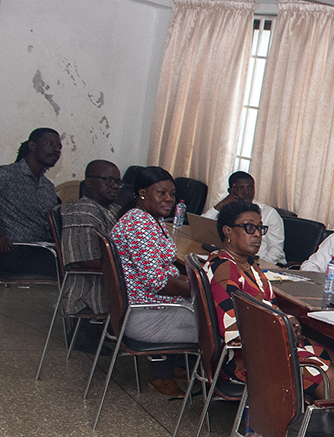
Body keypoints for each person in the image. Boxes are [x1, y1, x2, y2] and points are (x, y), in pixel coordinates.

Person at [205, 200, 334, 406]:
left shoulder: (247, 264)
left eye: (260, 228)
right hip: (246, 359)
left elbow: (264, 306)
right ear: (228, 231)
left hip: (267, 344)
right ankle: (327, 425)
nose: (257, 235)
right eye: (249, 228)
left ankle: (332, 418)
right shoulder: (224, 269)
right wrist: (283, 326)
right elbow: (231, 329)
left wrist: (287, 320)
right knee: (332, 377)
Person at [109, 166, 197, 399]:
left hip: (145, 308)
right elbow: (157, 282)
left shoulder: (146, 219)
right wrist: (196, 290)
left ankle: (176, 367)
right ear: (142, 193)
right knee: (217, 323)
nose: (169, 199)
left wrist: (191, 282)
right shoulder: (139, 224)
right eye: (161, 193)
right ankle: (211, 381)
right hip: (147, 315)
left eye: (172, 194)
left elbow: (162, 271)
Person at [59, 160, 122, 316]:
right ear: (89, 182)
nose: (115, 186)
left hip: (111, 282)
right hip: (91, 291)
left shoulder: (113, 209)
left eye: (117, 182)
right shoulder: (81, 212)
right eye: (109, 181)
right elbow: (83, 260)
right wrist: (129, 264)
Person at [0, 128, 61, 278]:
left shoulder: (48, 187)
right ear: (32, 146)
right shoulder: (6, 175)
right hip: (13, 250)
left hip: (43, 249)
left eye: (59, 147)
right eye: (50, 144)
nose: (56, 150)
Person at [202, 172, 285, 266]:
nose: (246, 192)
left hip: (263, 265)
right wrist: (221, 205)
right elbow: (200, 228)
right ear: (230, 190)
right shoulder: (229, 210)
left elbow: (276, 251)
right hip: (234, 260)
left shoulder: (269, 213)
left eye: (250, 188)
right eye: (241, 188)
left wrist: (255, 267)